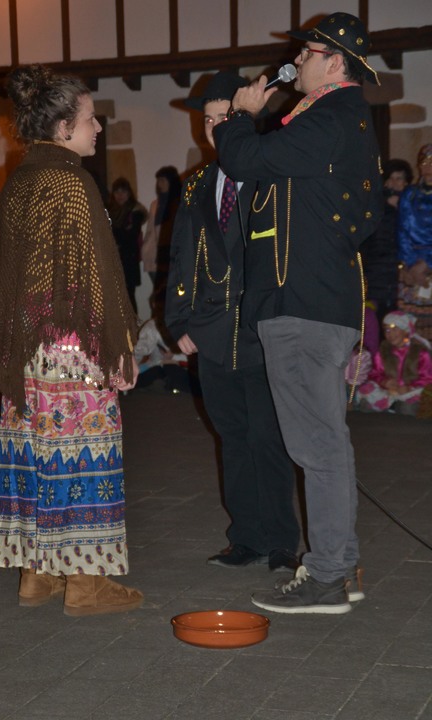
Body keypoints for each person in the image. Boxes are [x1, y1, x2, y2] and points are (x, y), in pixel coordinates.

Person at [213, 12, 384, 613]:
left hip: (302, 304)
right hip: (310, 300)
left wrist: (235, 117)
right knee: (325, 443)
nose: (296, 62)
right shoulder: (330, 118)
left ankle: (328, 575)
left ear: (334, 62)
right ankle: (342, 565)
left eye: (307, 52)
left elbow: (247, 160)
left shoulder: (331, 116)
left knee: (317, 446)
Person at [0, 64, 143, 616]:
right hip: (73, 350)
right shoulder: (72, 182)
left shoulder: (21, 178)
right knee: (81, 455)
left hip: (27, 352)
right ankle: (86, 584)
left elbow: (10, 277)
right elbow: (94, 278)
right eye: (90, 118)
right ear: (62, 126)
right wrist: (117, 349)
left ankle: (37, 573)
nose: (97, 128)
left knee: (37, 455)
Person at [165, 72, 300, 571]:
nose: (214, 128)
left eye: (225, 118)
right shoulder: (197, 184)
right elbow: (181, 256)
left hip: (265, 333)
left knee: (269, 439)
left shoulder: (272, 175)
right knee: (234, 439)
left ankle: (281, 541)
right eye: (208, 120)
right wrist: (179, 320)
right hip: (213, 333)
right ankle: (246, 537)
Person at [361, 159, 413, 325]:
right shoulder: (375, 207)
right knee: (377, 324)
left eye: (399, 178)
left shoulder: (414, 206)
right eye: (390, 178)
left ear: (406, 182)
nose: (394, 182)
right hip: (377, 276)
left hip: (406, 277)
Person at [355, 310, 432, 414]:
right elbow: (374, 373)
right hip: (389, 391)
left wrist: (409, 387)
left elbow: (428, 378)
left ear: (405, 331)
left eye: (395, 329)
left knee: (407, 408)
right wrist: (384, 382)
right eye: (387, 330)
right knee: (367, 403)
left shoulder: (420, 353)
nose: (390, 334)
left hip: (412, 390)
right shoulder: (383, 351)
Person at [397, 144, 432, 341]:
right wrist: (410, 264)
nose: (428, 167)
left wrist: (427, 263)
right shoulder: (409, 193)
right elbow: (402, 230)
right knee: (410, 325)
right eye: (424, 162)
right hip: (411, 264)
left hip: (428, 263)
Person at [109, 177, 147, 313]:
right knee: (115, 297)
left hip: (129, 259)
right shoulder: (110, 211)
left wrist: (117, 234)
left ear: (129, 193)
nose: (120, 195)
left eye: (123, 192)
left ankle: (133, 324)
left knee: (129, 296)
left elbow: (130, 236)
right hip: (113, 259)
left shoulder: (135, 211)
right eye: (117, 192)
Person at [141, 165, 181, 293]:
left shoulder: (179, 203)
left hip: (172, 255)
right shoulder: (155, 204)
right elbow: (150, 231)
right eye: (158, 181)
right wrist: (145, 249)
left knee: (171, 294)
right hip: (153, 255)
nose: (160, 184)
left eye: (163, 180)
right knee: (159, 293)